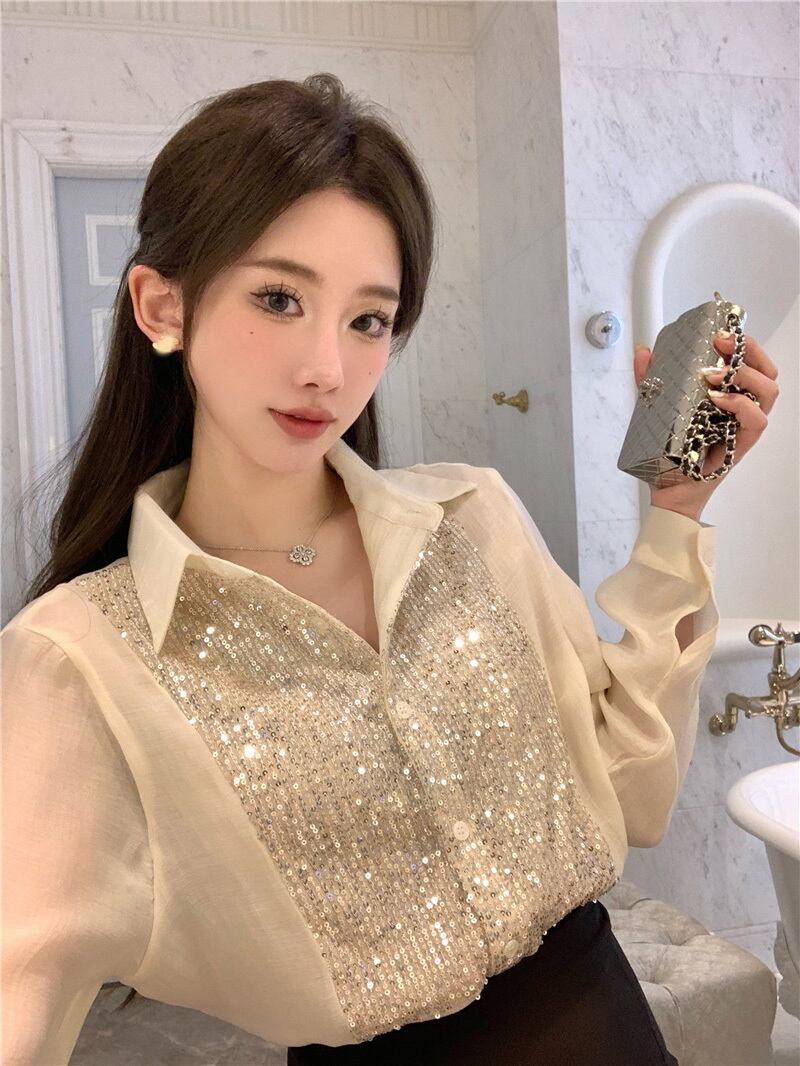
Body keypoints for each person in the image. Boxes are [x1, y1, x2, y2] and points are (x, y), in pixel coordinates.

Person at [1, 72, 779, 1066]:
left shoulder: (473, 519)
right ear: (162, 305)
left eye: (368, 319)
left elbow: (635, 795)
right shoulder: (76, 662)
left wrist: (676, 510)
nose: (327, 368)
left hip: (608, 1026)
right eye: (279, 298)